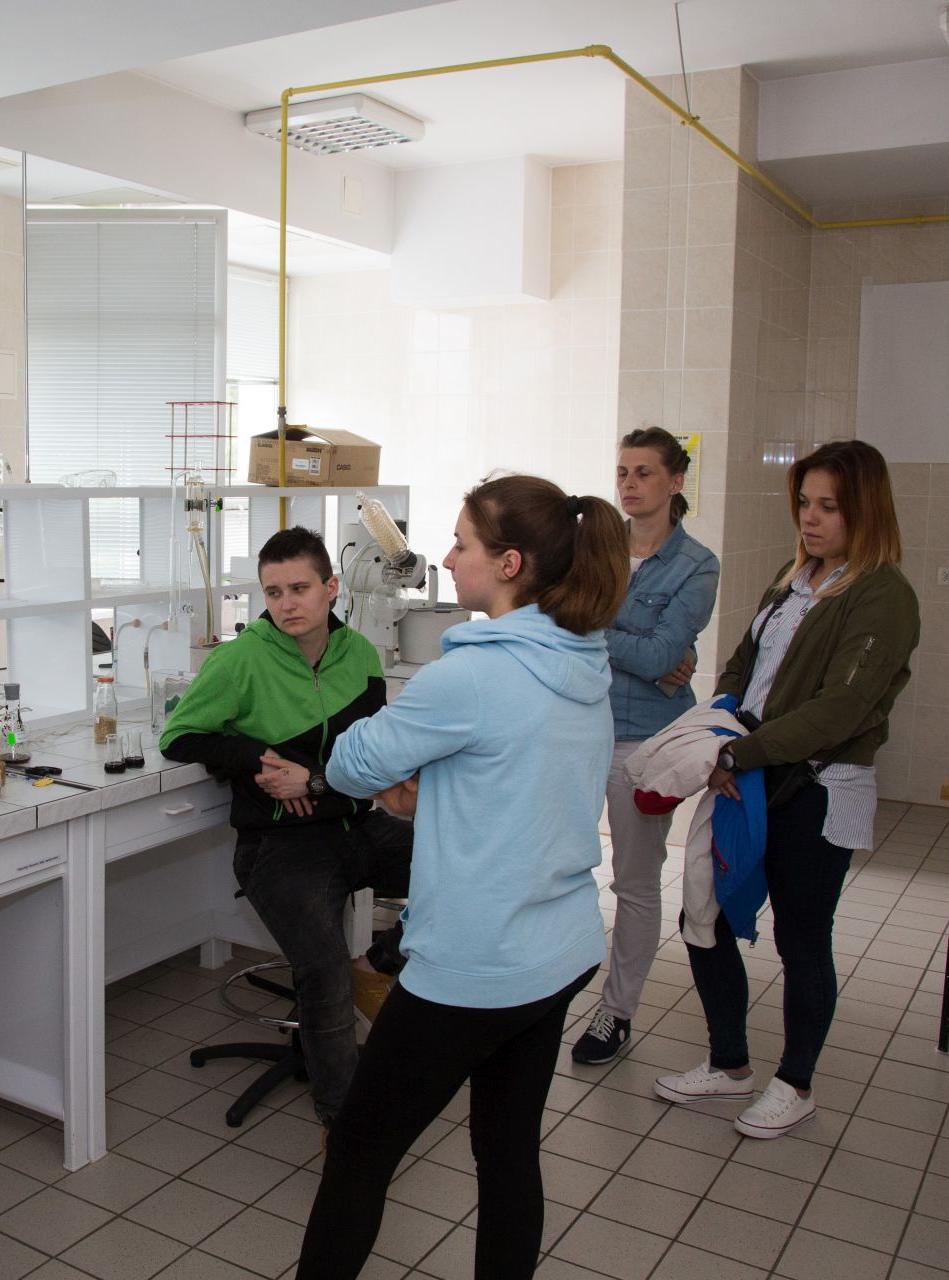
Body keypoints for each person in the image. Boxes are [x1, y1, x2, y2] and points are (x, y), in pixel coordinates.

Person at [295, 475, 628, 1280]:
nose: (445, 558)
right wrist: (437, 786)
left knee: (359, 1149)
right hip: (558, 947)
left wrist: (408, 771)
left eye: (461, 543)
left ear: (509, 564)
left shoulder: (470, 678)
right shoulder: (583, 663)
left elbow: (351, 764)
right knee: (507, 1152)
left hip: (477, 964)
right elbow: (523, 786)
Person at [653, 439, 919, 1140]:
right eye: (804, 502)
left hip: (818, 786)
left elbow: (841, 709)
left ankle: (795, 1083)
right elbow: (743, 661)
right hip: (749, 770)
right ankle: (729, 1063)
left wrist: (738, 752)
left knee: (801, 938)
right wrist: (723, 726)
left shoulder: (883, 594)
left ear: (865, 511)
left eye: (829, 506)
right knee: (703, 914)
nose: (810, 518)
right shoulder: (793, 576)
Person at [158, 526, 412, 1130]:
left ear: (331, 588)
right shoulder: (240, 659)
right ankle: (342, 1124)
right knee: (321, 967)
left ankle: (375, 965)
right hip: (279, 845)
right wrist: (256, 758)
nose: (286, 604)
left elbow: (373, 758)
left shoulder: (361, 656)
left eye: (299, 588)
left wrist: (314, 781)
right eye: (273, 592)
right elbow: (178, 736)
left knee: (461, 865)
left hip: (351, 824)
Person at [572, 427, 719, 1065]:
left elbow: (661, 656)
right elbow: (561, 616)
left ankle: (617, 1011)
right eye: (622, 472)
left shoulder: (697, 565)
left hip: (643, 740)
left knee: (633, 881)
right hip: (579, 727)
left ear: (676, 481)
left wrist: (592, 626)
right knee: (561, 863)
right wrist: (649, 650)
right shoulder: (594, 548)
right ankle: (546, 983)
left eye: (644, 473)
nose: (629, 485)